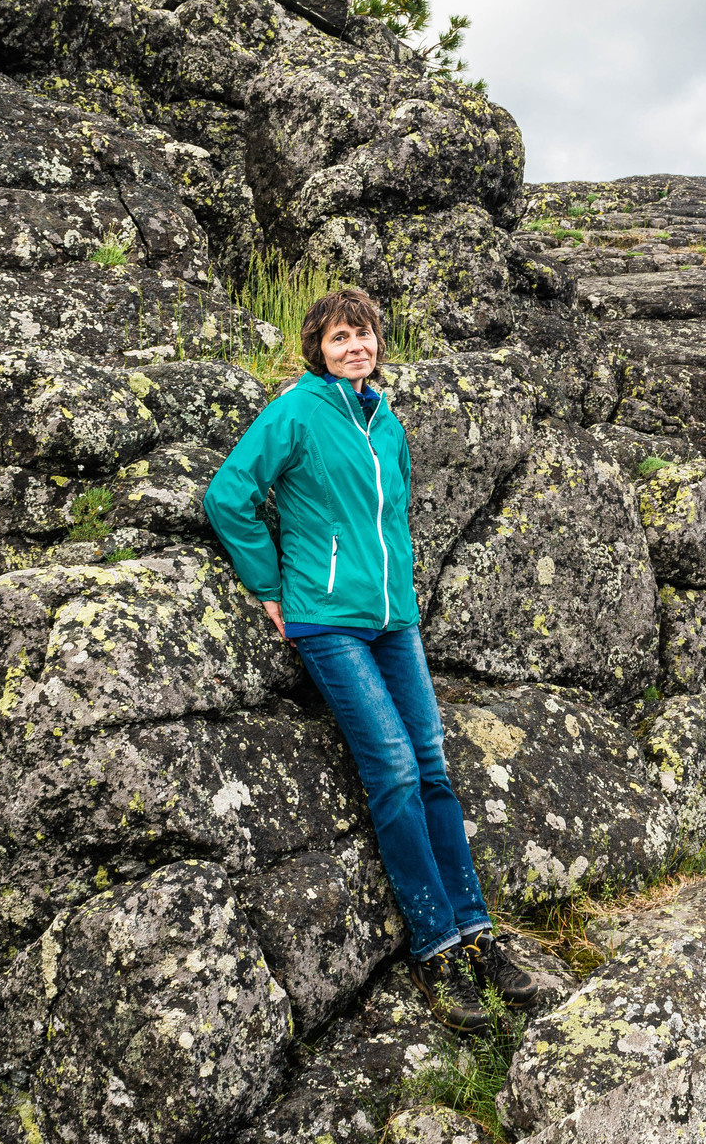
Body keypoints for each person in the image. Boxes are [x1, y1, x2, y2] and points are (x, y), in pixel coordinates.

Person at [203, 287, 557, 1030]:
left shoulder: (387, 423)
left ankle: (476, 935)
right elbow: (229, 493)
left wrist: (406, 597)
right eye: (339, 337)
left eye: (363, 334)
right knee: (393, 765)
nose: (354, 346)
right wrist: (268, 582)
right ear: (318, 348)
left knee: (432, 763)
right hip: (327, 619)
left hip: (396, 621)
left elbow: (391, 520)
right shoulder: (296, 412)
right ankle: (436, 949)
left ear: (377, 344)